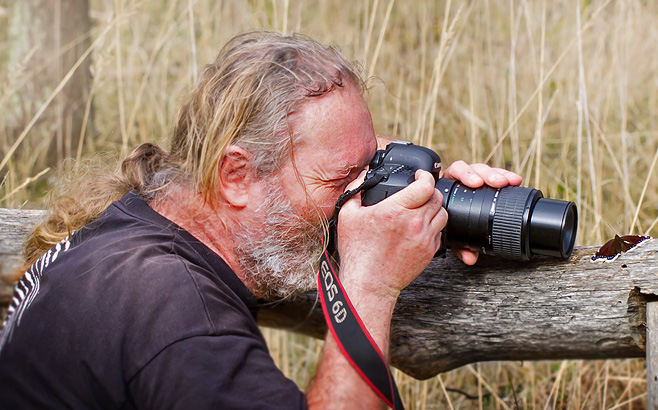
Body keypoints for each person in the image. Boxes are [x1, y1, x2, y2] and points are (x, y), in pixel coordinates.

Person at [0, 31, 521, 409]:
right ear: (236, 175)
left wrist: (430, 198)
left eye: (374, 166)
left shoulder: (134, 227)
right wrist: (371, 284)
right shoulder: (177, 313)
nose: (360, 196)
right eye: (344, 179)